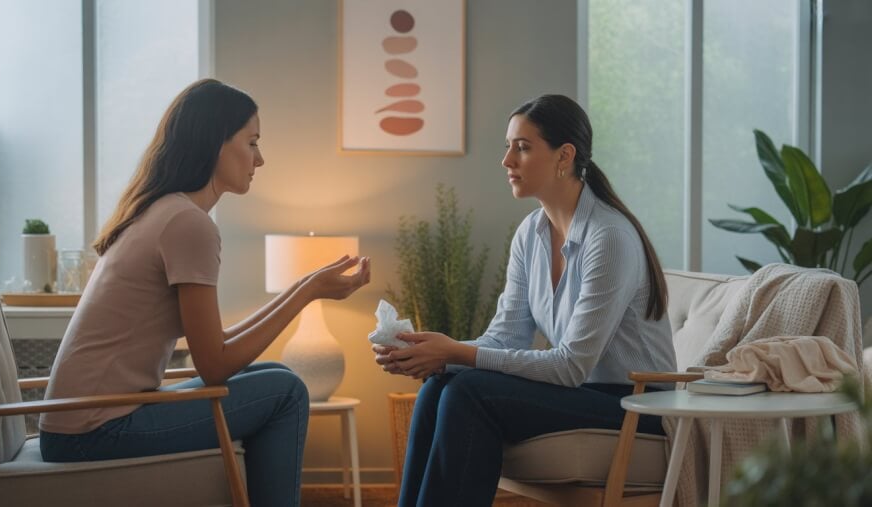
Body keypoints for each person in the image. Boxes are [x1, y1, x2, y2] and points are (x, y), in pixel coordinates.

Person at [39, 79, 371, 507]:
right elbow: (214, 365)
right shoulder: (187, 224)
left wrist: (306, 287)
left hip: (86, 421)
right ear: (216, 143)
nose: (260, 159)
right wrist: (307, 293)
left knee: (278, 376)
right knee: (285, 392)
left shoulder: (166, 211)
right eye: (251, 142)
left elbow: (217, 345)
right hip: (93, 431)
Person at [372, 94, 676, 507]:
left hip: (637, 406)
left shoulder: (609, 237)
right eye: (508, 146)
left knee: (470, 391)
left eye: (523, 147)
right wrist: (437, 353)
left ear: (563, 156)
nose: (507, 160)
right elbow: (505, 337)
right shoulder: (531, 233)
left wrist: (458, 352)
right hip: (586, 393)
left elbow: (571, 366)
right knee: (440, 384)